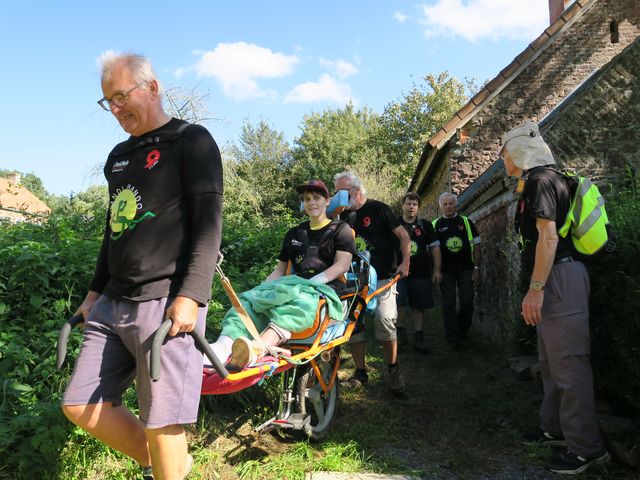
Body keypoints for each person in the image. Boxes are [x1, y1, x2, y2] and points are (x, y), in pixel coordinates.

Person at [61, 52, 223, 480]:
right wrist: (93, 293)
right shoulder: (118, 156)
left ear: (151, 88)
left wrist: (191, 296)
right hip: (112, 302)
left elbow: (209, 225)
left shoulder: (192, 141)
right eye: (107, 102)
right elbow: (113, 231)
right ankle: (168, 467)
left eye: (120, 96)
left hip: (166, 302)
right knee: (80, 404)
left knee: (163, 421)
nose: (115, 109)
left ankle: (169, 467)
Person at [501, 120, 609, 475]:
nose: (502, 160)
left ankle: (587, 450)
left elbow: (548, 239)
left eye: (505, 153)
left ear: (519, 152)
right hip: (556, 278)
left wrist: (535, 291)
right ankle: (556, 429)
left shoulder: (540, 181)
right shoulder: (544, 180)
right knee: (551, 361)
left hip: (559, 279)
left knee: (569, 364)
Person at [208, 179, 356, 367]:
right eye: (307, 199)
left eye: (317, 198)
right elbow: (279, 271)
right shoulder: (294, 233)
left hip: (325, 288)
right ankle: (222, 348)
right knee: (247, 300)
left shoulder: (341, 229)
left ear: (327, 201)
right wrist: (260, 290)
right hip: (294, 284)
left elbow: (343, 264)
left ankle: (258, 348)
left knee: (303, 301)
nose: (311, 203)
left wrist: (316, 281)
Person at [333, 171, 411, 397]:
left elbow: (404, 236)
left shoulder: (379, 209)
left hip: (385, 277)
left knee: (385, 320)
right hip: (355, 281)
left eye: (342, 192)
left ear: (356, 190)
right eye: (335, 192)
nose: (338, 196)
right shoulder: (343, 217)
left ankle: (393, 369)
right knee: (353, 324)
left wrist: (405, 263)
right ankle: (360, 372)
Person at [432, 192, 481, 349]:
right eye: (445, 204)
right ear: (441, 207)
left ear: (456, 205)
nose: (448, 207)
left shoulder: (466, 222)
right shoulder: (435, 225)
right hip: (446, 271)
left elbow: (478, 245)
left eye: (451, 203)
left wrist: (477, 268)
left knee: (467, 302)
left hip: (466, 268)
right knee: (448, 303)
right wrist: (435, 270)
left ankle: (462, 331)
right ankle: (452, 337)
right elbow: (431, 250)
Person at [395, 192, 442, 354]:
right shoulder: (394, 225)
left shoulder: (425, 225)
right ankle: (400, 334)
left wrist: (436, 270)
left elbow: (435, 247)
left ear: (418, 207)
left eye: (415, 204)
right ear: (403, 205)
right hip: (399, 273)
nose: (411, 207)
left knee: (418, 306)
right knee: (398, 304)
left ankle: (418, 337)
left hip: (421, 273)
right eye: (408, 203)